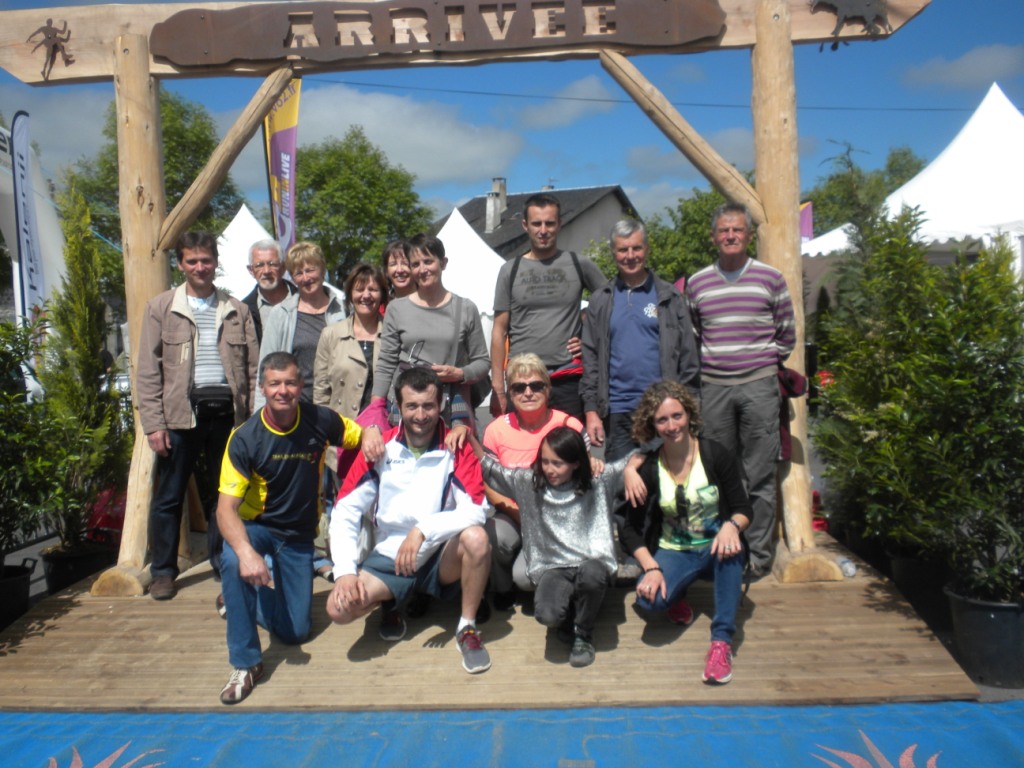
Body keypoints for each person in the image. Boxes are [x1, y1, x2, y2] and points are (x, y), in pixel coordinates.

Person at [216, 352, 362, 704]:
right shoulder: (244, 438)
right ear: (262, 388)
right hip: (258, 526)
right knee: (235, 562)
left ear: (302, 386)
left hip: (298, 537)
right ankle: (246, 662)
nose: (283, 391)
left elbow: (360, 436)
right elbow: (225, 511)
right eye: (275, 383)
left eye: (291, 383)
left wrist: (372, 436)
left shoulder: (320, 420)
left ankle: (236, 601)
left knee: (295, 632)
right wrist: (248, 553)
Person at [327, 367, 493, 674]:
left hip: (438, 554)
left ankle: (467, 628)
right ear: (398, 407)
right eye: (412, 406)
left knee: (477, 538)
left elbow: (477, 510)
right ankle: (393, 600)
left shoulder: (455, 447)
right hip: (390, 555)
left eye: (428, 406)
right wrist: (345, 573)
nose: (420, 415)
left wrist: (423, 529)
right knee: (338, 610)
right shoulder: (380, 449)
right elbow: (345, 511)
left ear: (440, 405)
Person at [136, 232, 259, 600]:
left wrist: (252, 420)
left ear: (216, 262)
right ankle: (163, 572)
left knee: (226, 494)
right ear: (180, 264)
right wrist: (154, 424)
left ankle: (224, 562)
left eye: (206, 260)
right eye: (192, 261)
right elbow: (147, 370)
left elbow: (253, 368)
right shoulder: (161, 308)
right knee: (169, 496)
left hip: (228, 417)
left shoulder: (237, 309)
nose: (200, 267)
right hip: (180, 417)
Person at [686, 203, 796, 578]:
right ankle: (724, 550)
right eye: (723, 230)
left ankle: (759, 557)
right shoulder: (698, 283)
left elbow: (787, 334)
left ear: (748, 235)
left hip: (758, 386)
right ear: (713, 236)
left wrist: (759, 364)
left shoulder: (771, 278)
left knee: (760, 474)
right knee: (717, 474)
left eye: (737, 230)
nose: (730, 236)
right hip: (714, 387)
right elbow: (696, 333)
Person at [621, 380, 753, 685]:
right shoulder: (650, 467)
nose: (671, 425)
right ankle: (676, 592)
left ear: (689, 414)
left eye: (677, 415)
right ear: (652, 425)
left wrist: (732, 526)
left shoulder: (714, 454)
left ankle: (721, 642)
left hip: (715, 546)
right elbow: (629, 528)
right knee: (648, 600)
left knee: (731, 549)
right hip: (674, 549)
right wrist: (651, 567)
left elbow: (744, 508)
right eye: (662, 420)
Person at [473, 426, 623, 668]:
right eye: (545, 461)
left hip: (590, 562)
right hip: (553, 565)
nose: (550, 469)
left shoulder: (598, 481)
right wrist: (468, 434)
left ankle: (583, 633)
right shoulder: (529, 483)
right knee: (547, 614)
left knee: (593, 576)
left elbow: (630, 462)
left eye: (558, 463)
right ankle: (570, 616)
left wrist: (635, 470)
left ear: (576, 463)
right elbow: (491, 469)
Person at [581, 219, 700, 461]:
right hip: (618, 410)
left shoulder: (669, 296)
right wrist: (591, 410)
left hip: (663, 408)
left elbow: (689, 357)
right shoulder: (601, 299)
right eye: (623, 250)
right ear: (614, 253)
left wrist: (687, 407)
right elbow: (590, 360)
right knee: (623, 489)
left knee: (665, 486)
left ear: (646, 249)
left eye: (636, 248)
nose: (630, 255)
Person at [481, 353, 590, 609]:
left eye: (536, 385)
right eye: (519, 387)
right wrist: (519, 512)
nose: (528, 392)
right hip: (512, 513)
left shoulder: (569, 424)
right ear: (509, 393)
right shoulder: (496, 429)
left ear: (548, 389)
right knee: (491, 535)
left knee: (527, 578)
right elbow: (488, 484)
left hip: (556, 516)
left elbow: (584, 479)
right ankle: (502, 589)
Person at [490, 193, 606, 421]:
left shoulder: (578, 264)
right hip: (523, 380)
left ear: (559, 224)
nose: (543, 230)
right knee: (523, 453)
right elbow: (499, 330)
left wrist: (589, 341)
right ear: (525, 226)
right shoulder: (510, 270)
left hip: (568, 378)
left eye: (549, 223)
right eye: (536, 223)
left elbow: (612, 306)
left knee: (569, 453)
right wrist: (498, 387)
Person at [312, 263, 388, 580]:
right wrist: (325, 434)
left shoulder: (394, 332)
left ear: (382, 293)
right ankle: (346, 565)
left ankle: (378, 564)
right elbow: (320, 391)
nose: (366, 295)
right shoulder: (332, 334)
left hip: (385, 433)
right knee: (345, 502)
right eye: (359, 288)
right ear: (350, 293)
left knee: (381, 503)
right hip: (343, 435)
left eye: (372, 288)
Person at [369, 233, 489, 429]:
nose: (422, 270)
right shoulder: (397, 309)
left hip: (451, 408)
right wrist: (375, 410)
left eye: (428, 261)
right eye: (415, 264)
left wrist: (459, 373)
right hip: (406, 408)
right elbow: (386, 363)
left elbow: (483, 362)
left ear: (443, 262)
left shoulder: (465, 308)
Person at [257, 241, 346, 406]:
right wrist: (260, 417)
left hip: (337, 405)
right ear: (292, 277)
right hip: (293, 407)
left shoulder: (344, 310)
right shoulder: (281, 313)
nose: (306, 278)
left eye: (311, 270)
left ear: (323, 270)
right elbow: (265, 367)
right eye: (298, 273)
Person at [242, 238, 296, 344]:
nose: (266, 271)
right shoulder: (243, 310)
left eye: (272, 264)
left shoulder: (304, 301)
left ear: (283, 267)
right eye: (259, 265)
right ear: (251, 270)